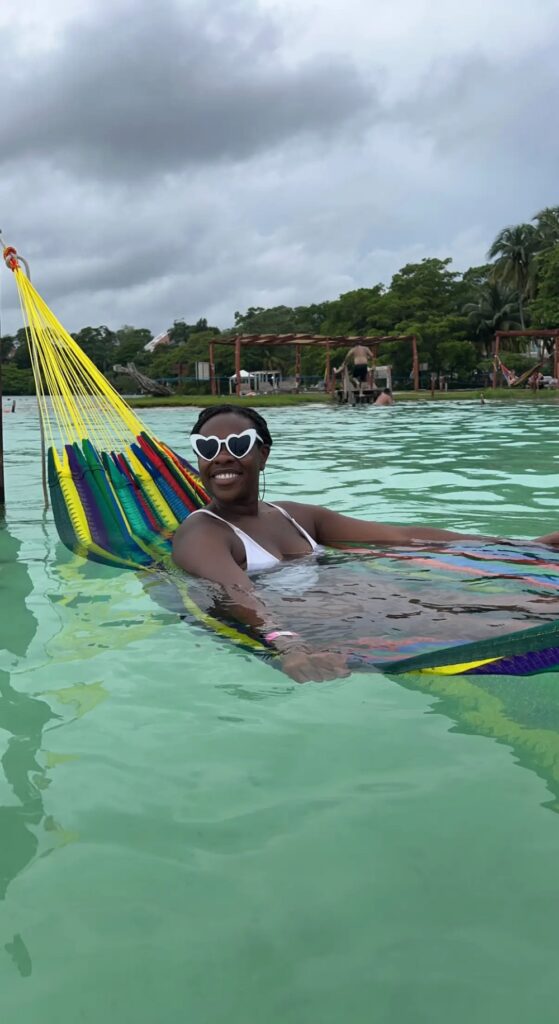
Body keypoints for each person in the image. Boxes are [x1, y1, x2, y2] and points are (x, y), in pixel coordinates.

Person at [172, 404, 559, 683]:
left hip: (379, 602)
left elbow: (402, 537)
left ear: (263, 454)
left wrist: (517, 547)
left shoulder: (293, 516)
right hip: (329, 628)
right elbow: (234, 590)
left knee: (522, 606)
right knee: (505, 631)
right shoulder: (203, 533)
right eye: (206, 448)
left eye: (238, 444)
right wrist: (287, 646)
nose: (222, 457)